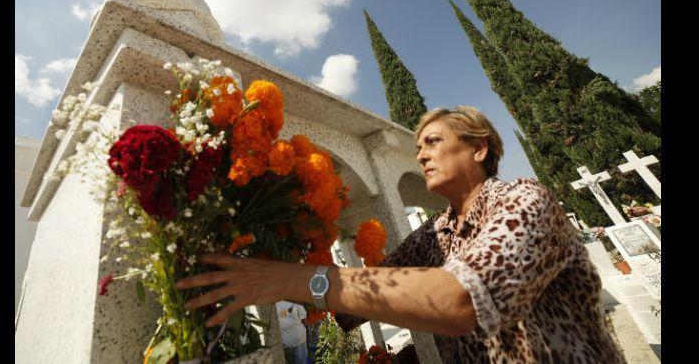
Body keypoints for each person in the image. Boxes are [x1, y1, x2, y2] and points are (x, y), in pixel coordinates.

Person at [177, 106, 627, 363]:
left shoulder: (526, 201)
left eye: (433, 142)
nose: (422, 155)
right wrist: (281, 227)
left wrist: (289, 278)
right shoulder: (432, 236)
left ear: (478, 148)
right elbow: (355, 304)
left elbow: (460, 301)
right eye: (418, 147)